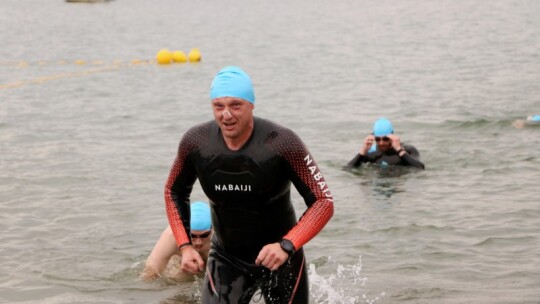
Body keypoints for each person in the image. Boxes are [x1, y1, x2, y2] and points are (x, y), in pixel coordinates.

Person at [164, 66, 334, 303]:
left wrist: (287, 245)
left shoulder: (283, 143)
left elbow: (323, 202)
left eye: (236, 105)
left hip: (281, 257)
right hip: (227, 257)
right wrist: (185, 246)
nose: (227, 115)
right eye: (219, 106)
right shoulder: (196, 142)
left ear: (251, 105)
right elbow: (173, 191)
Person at [141, 201, 212, 282]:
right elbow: (151, 270)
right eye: (193, 235)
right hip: (182, 264)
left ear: (212, 229)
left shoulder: (219, 235)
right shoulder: (171, 235)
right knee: (178, 278)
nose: (198, 242)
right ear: (184, 230)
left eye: (204, 235)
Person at [347, 117, 425, 169]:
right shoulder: (371, 152)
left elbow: (420, 168)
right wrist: (362, 152)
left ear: (392, 136)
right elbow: (348, 169)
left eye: (385, 139)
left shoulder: (408, 150)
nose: (381, 143)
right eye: (377, 139)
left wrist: (399, 150)